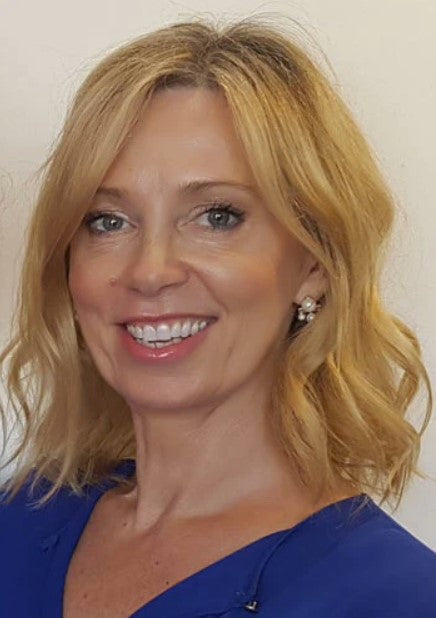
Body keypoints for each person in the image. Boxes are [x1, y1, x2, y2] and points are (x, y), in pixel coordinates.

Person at [0, 16, 435, 618]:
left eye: (217, 216)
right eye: (107, 220)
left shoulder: (396, 596)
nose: (150, 271)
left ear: (314, 263)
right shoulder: (21, 518)